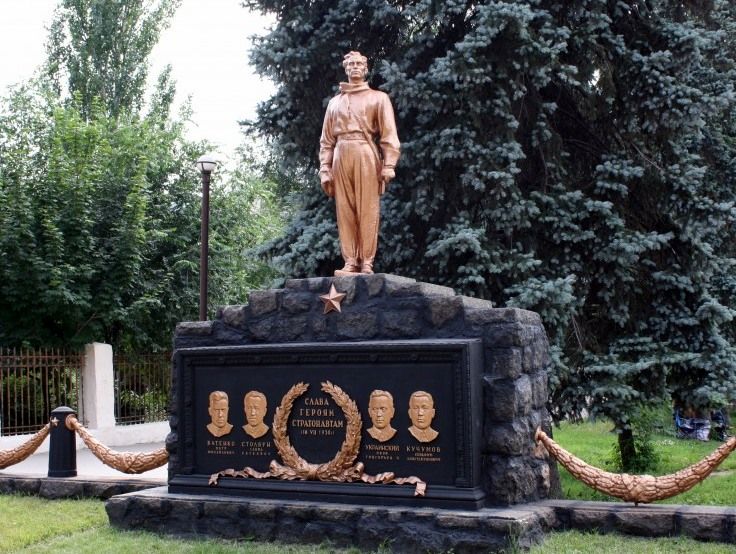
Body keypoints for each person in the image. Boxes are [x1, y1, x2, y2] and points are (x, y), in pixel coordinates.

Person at [319, 50, 401, 275]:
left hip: (365, 152)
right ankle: (350, 261)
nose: (355, 67)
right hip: (340, 153)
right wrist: (325, 168)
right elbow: (326, 140)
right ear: (346, 69)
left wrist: (389, 164)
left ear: (365, 69)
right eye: (351, 64)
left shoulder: (378, 98)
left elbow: (388, 134)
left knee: (368, 208)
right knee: (344, 210)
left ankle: (366, 261)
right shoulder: (335, 103)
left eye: (359, 64)